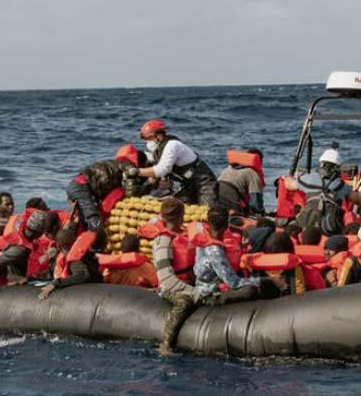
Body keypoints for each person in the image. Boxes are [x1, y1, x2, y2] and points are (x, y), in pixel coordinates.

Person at [150, 197, 199, 356]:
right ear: (181, 216)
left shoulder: (183, 234)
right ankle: (165, 345)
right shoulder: (164, 241)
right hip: (171, 288)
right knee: (184, 303)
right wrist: (192, 292)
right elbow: (167, 278)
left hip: (190, 281)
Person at [136, 119, 219, 207]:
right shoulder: (158, 151)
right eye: (145, 139)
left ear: (159, 135)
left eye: (149, 138)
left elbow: (162, 169)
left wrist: (136, 172)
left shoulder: (172, 145)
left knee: (207, 211)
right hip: (185, 185)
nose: (148, 142)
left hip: (204, 183)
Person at [66, 144, 148, 232]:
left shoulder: (114, 163)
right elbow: (131, 192)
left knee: (80, 220)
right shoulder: (128, 165)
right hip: (82, 187)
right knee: (94, 221)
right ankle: (95, 241)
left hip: (77, 186)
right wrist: (148, 185)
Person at [193, 209, 262, 300]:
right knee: (250, 290)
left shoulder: (203, 236)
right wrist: (264, 281)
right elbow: (233, 282)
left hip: (203, 284)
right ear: (226, 225)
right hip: (210, 294)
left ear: (208, 222)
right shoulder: (215, 251)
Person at [0, 209, 52, 299]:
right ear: (39, 233)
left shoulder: (20, 224)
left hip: (11, 262)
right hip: (12, 277)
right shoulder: (21, 249)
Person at [39, 228, 104, 299]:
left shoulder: (74, 259)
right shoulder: (83, 251)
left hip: (93, 292)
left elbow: (82, 275)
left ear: (60, 247)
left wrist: (56, 283)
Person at [216, 149, 266, 215]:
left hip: (215, 192)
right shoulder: (252, 173)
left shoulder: (229, 168)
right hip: (231, 195)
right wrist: (262, 212)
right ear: (260, 162)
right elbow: (255, 203)